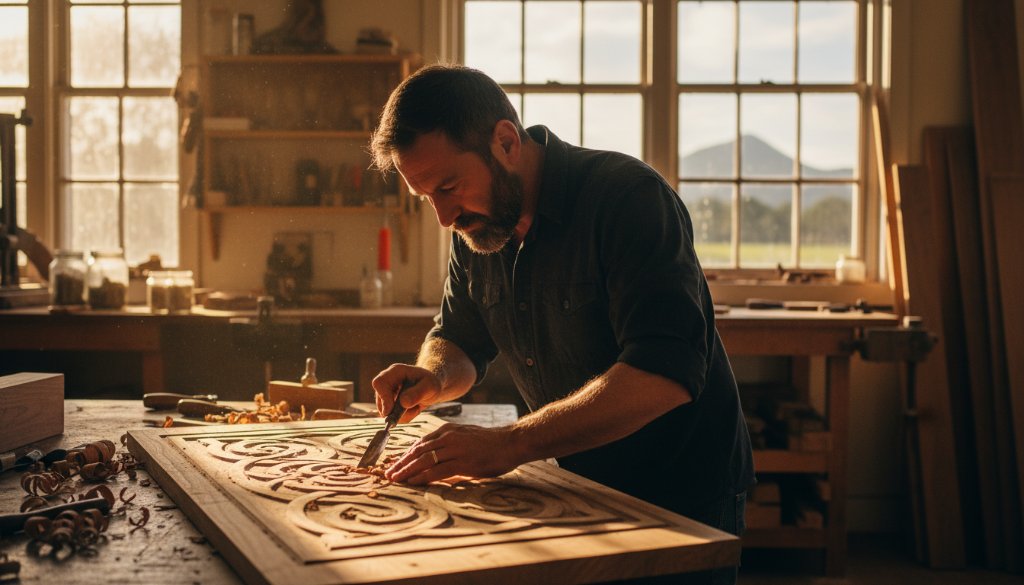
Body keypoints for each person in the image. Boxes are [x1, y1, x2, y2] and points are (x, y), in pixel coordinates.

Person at [369, 64, 754, 584]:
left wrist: (510, 443)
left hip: (678, 495)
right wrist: (434, 377)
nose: (443, 216)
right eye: (428, 197)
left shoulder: (629, 200)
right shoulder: (481, 227)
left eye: (450, 186)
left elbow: (663, 375)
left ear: (506, 142)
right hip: (571, 483)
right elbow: (459, 338)